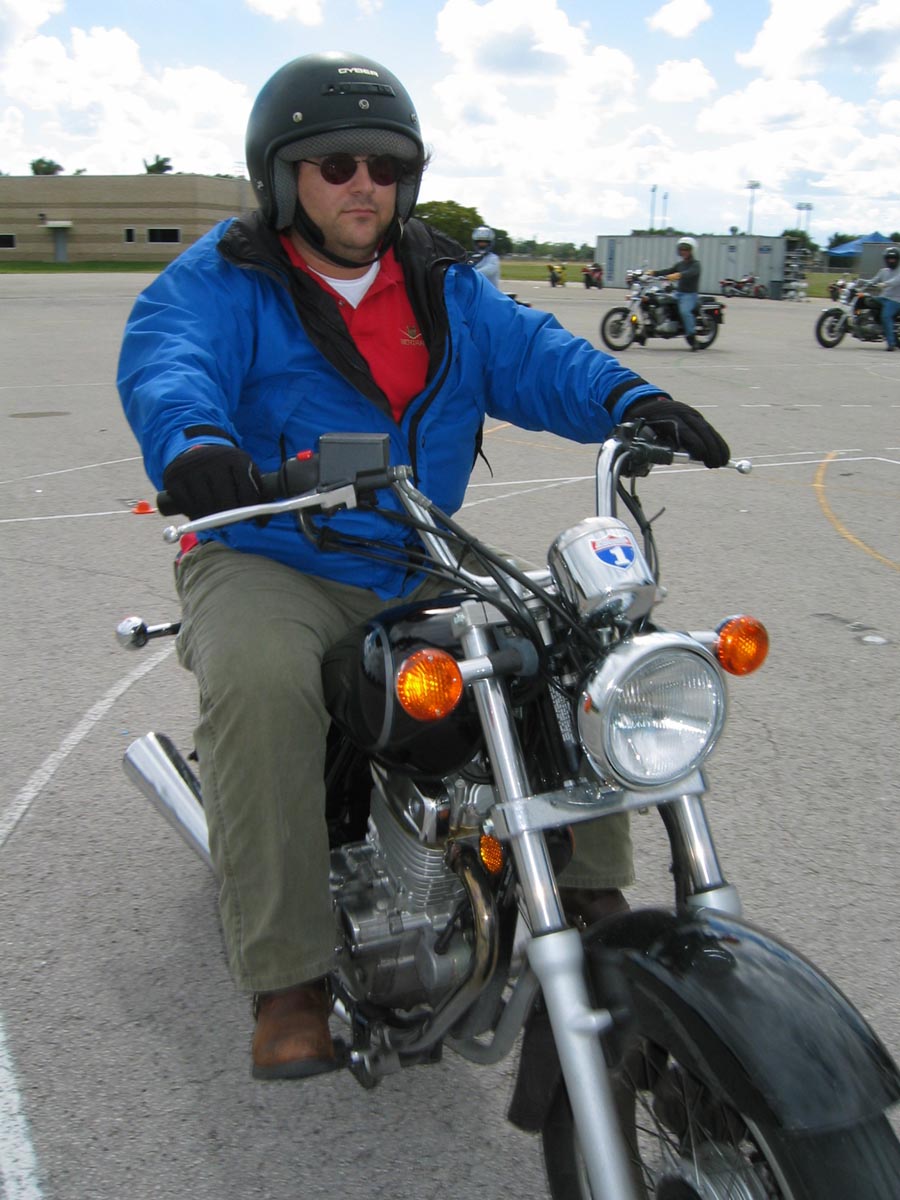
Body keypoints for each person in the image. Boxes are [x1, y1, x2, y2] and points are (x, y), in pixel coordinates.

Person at [117, 50, 729, 1082]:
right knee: (261, 681)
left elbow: (534, 354)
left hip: (415, 548)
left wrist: (632, 401)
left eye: (387, 166)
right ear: (283, 177)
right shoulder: (226, 279)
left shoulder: (443, 283)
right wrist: (196, 446)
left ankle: (589, 886)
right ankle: (289, 976)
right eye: (337, 165)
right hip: (272, 552)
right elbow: (169, 358)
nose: (365, 185)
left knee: (568, 642)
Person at [651, 236, 701, 349]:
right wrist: (654, 273)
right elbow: (669, 271)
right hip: (678, 293)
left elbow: (690, 273)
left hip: (689, 295)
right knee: (661, 301)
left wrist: (679, 274)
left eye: (686, 249)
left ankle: (692, 337)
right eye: (681, 249)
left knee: (685, 312)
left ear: (692, 250)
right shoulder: (680, 264)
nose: (683, 251)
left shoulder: (696, 264)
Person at [865, 244, 900, 351]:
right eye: (889, 258)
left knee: (886, 316)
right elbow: (873, 280)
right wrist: (862, 282)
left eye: (893, 259)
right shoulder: (883, 271)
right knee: (866, 301)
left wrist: (885, 284)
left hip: (895, 300)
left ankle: (891, 344)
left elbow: (896, 281)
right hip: (883, 297)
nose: (891, 261)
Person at [468, 225, 501, 289]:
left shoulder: (493, 258)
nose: (482, 244)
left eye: (485, 242)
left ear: (490, 243)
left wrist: (468, 274)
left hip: (490, 293)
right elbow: (465, 267)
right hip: (474, 292)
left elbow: (487, 271)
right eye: (479, 242)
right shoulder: (472, 257)